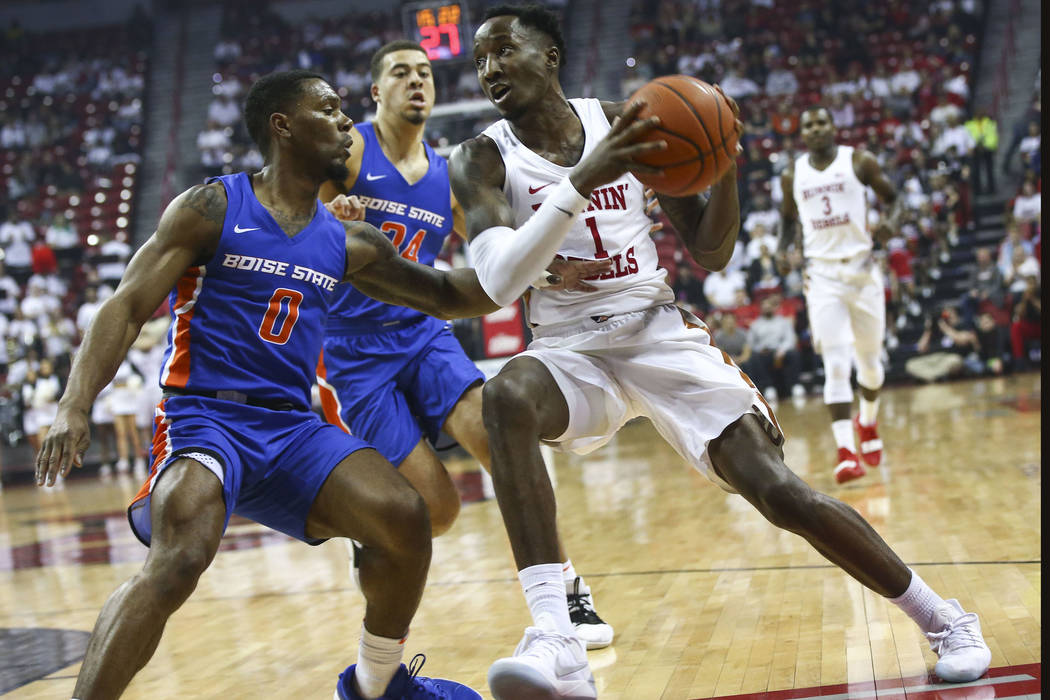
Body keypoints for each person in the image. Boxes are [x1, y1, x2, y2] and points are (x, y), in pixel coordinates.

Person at [451, 6, 990, 698]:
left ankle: (945, 620)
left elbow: (710, 251)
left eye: (503, 51)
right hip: (569, 349)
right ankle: (559, 641)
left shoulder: (630, 121)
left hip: (657, 331)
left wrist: (725, 161)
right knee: (505, 396)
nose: (490, 68)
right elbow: (497, 281)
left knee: (777, 491)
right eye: (480, 59)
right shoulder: (481, 157)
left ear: (550, 54)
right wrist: (585, 179)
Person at [32, 68, 581, 700]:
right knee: (181, 557)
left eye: (346, 111)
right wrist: (75, 404)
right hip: (206, 417)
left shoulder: (349, 240)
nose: (348, 122)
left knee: (405, 517)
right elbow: (125, 306)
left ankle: (377, 687)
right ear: (282, 126)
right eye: (329, 110)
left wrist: (533, 264)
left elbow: (445, 294)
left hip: (293, 426)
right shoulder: (212, 206)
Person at [316, 40, 615, 650]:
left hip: (425, 335)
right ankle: (367, 528)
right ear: (376, 93)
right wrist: (330, 213)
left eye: (424, 72)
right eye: (400, 73)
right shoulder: (348, 155)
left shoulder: (447, 172)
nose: (416, 82)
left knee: (496, 431)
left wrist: (555, 270)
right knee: (437, 511)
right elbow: (295, 212)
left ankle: (566, 591)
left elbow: (503, 253)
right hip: (354, 353)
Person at [777, 105, 900, 483]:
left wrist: (889, 226)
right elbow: (786, 222)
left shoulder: (859, 161)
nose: (814, 128)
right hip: (822, 276)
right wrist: (784, 252)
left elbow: (893, 200)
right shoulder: (791, 174)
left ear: (833, 126)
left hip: (862, 271)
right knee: (834, 361)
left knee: (869, 363)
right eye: (808, 123)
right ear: (802, 132)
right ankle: (846, 451)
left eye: (821, 122)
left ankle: (868, 422)